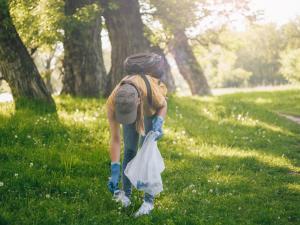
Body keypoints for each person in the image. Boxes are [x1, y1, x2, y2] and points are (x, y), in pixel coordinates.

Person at [106, 53, 167, 217]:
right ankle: (126, 195)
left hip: (149, 110)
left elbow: (163, 105)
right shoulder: (112, 101)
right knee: (130, 150)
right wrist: (114, 168)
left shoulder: (149, 90)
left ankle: (148, 202)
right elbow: (115, 139)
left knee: (147, 150)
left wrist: (159, 122)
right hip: (130, 108)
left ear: (138, 101)